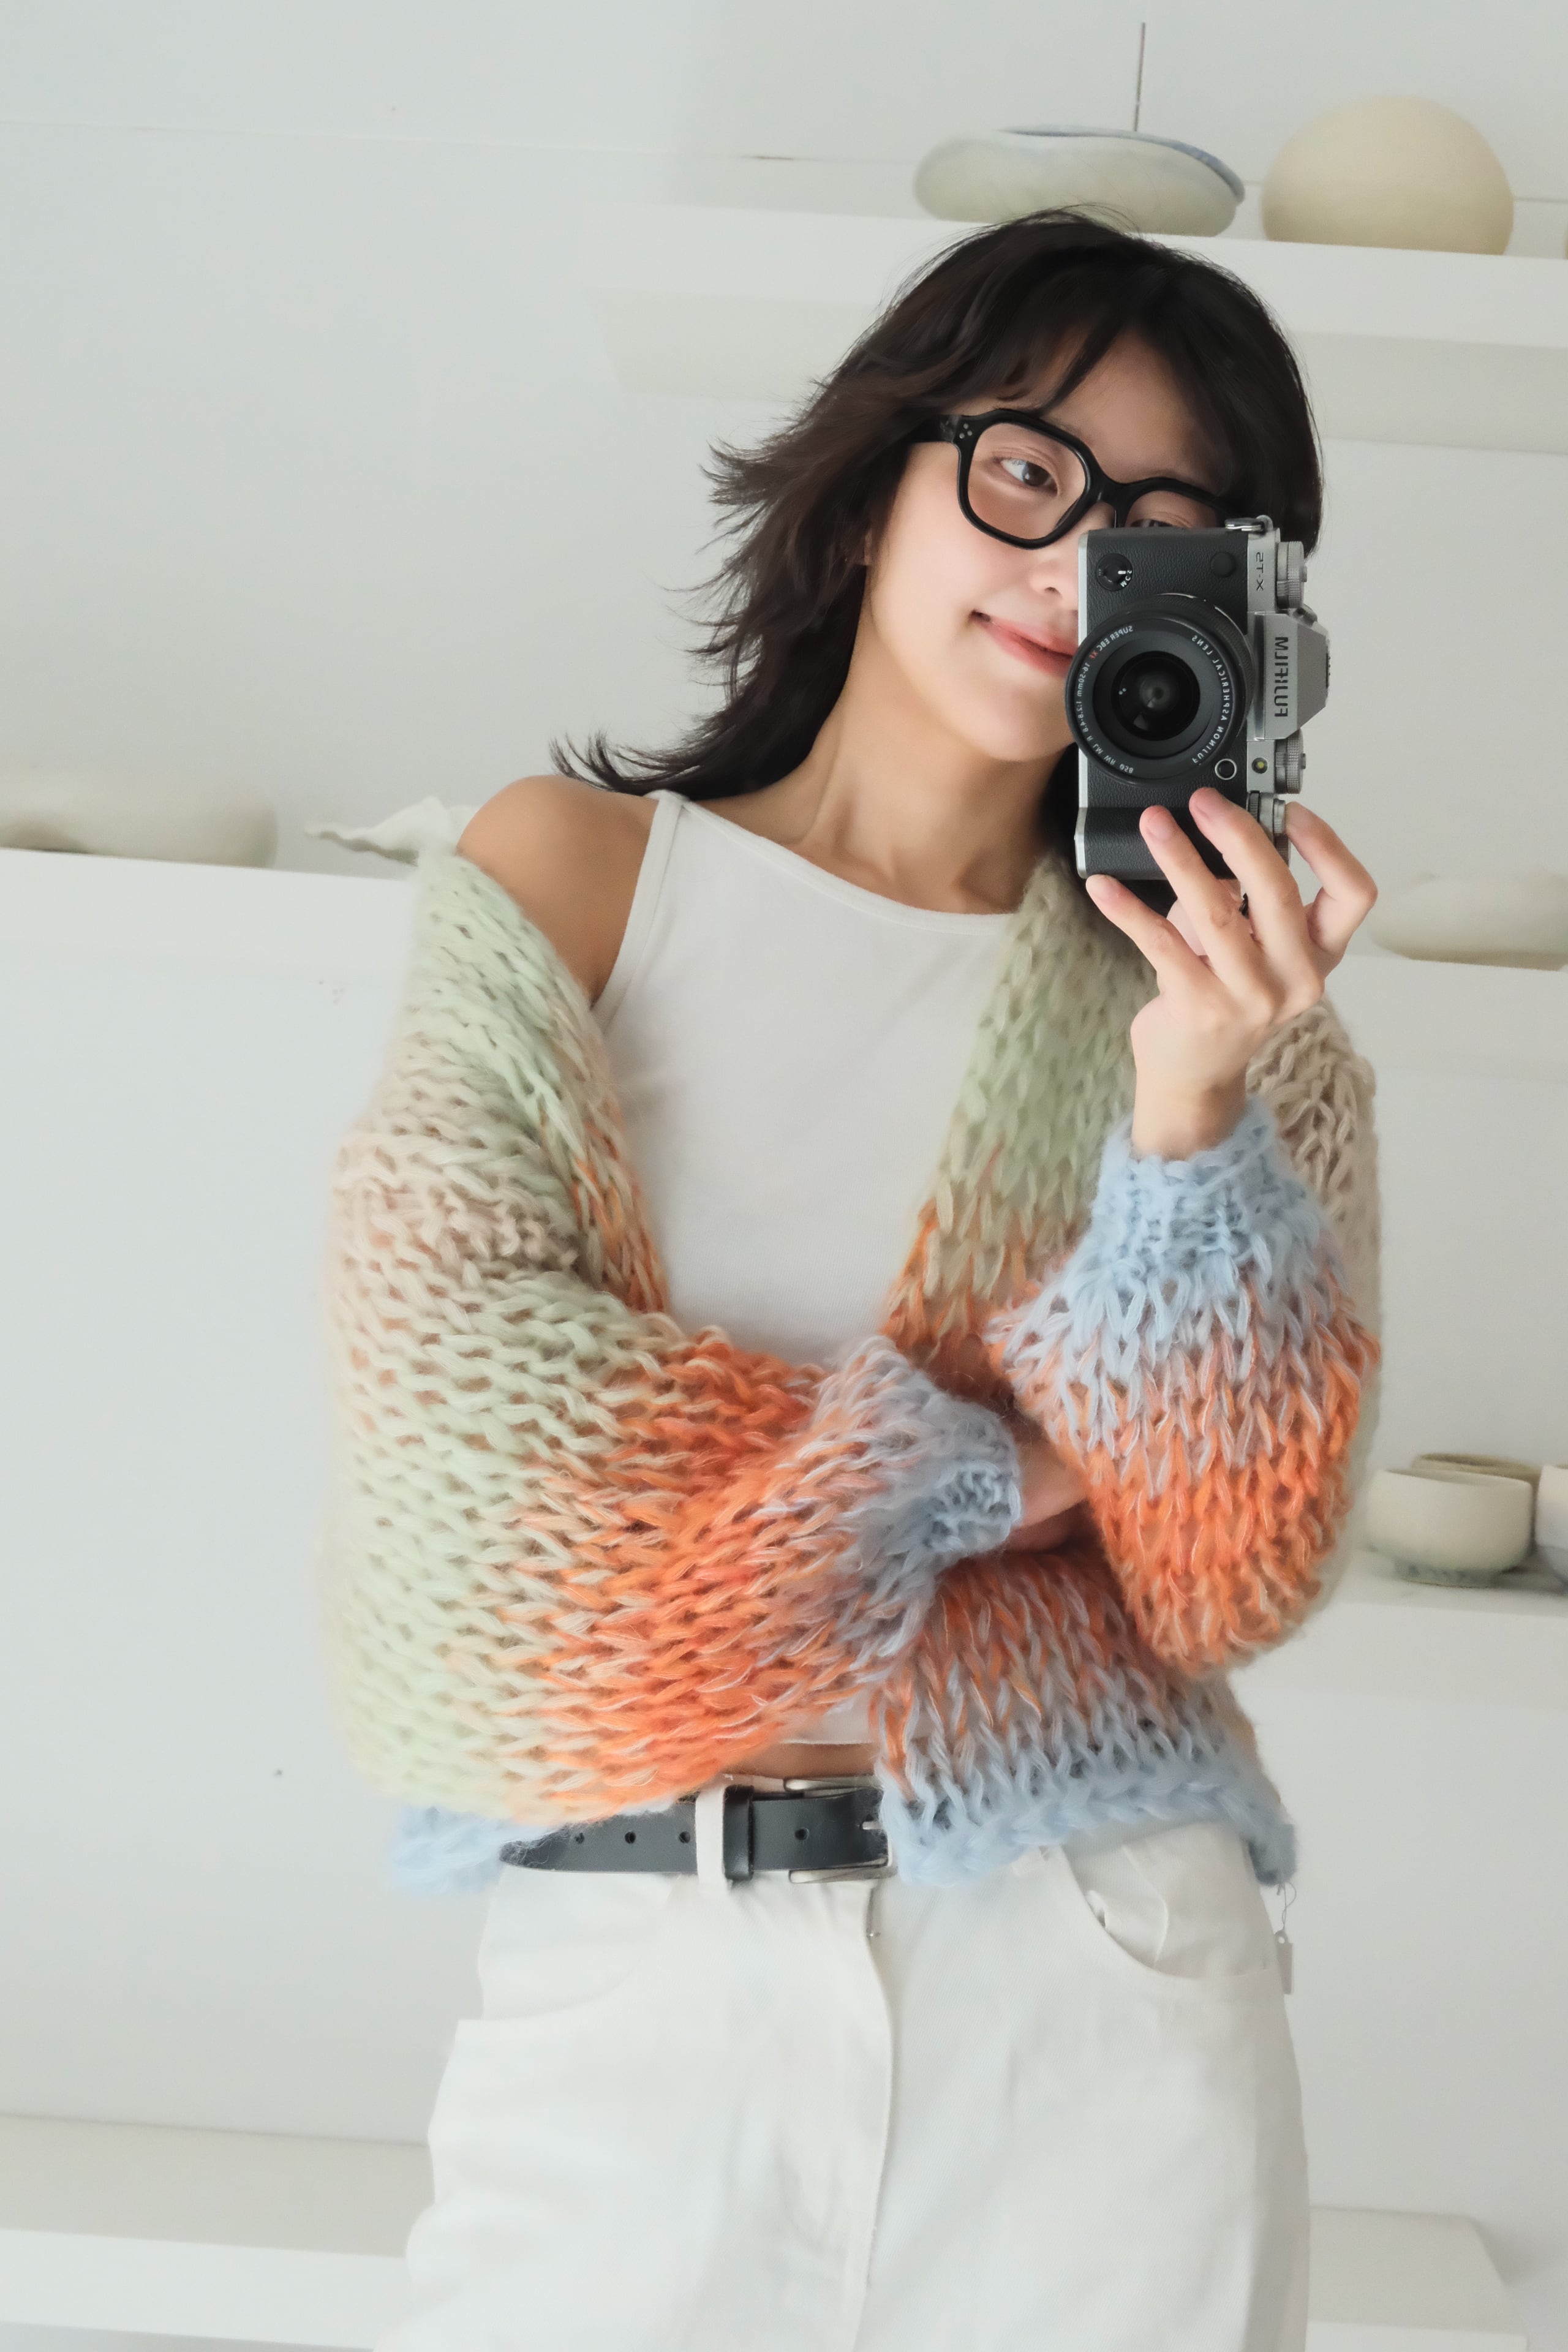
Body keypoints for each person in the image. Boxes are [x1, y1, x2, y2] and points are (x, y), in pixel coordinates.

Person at [320, 209, 1381, 2351]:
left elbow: (1223, 1570)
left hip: (1100, 2004)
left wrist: (1189, 1115)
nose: (1075, 562)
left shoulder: (1246, 1015)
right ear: (882, 474)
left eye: (1168, 532)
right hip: (636, 1999)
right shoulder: (574, 881)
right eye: (1029, 470)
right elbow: (472, 1483)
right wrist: (994, 1479)